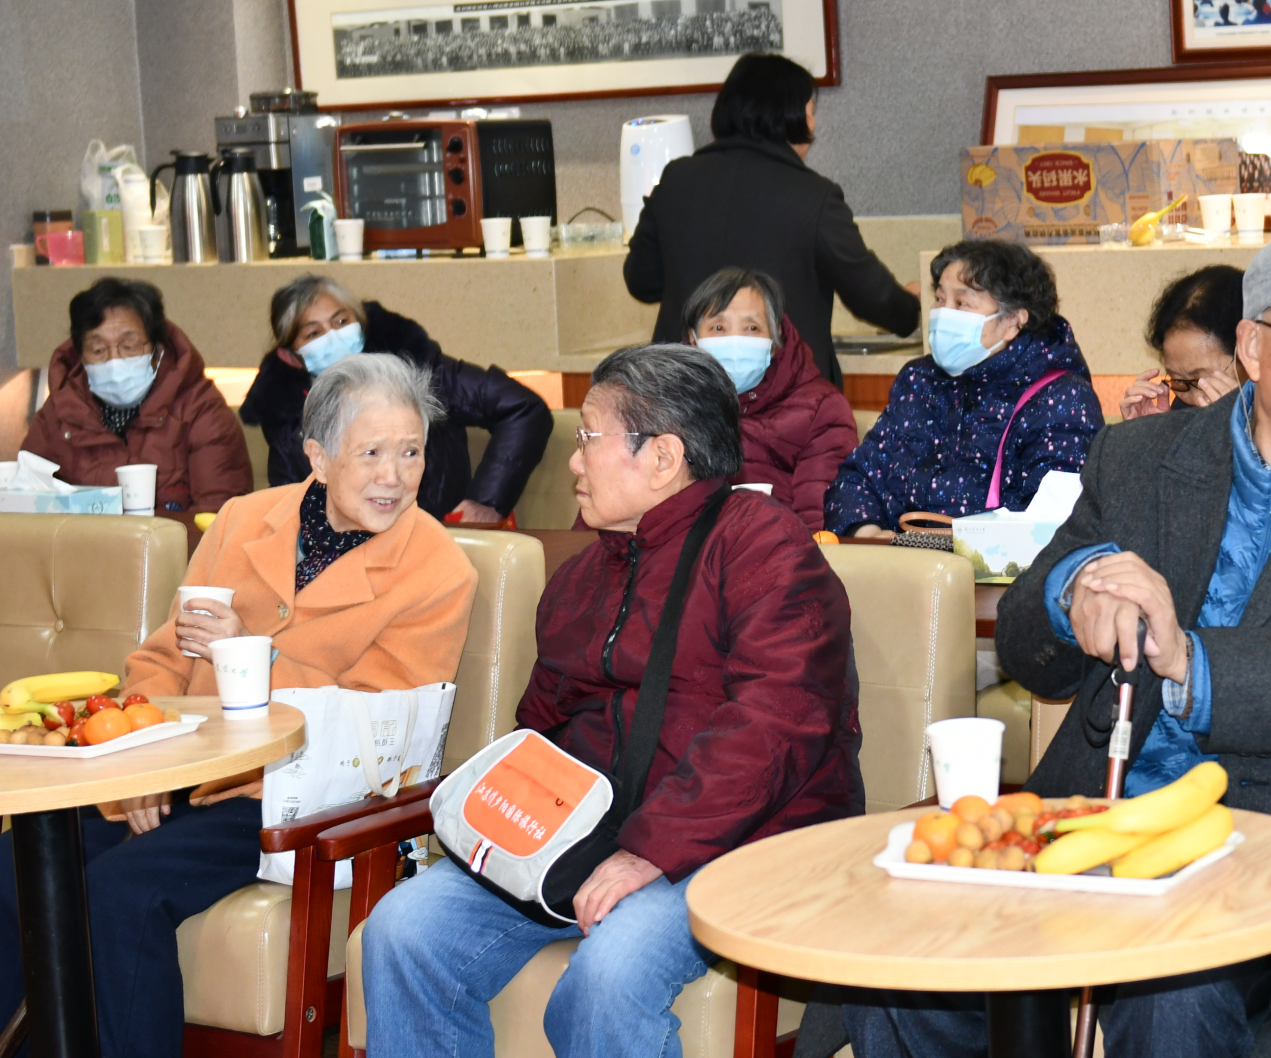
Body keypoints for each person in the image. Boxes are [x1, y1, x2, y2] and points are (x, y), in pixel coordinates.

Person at [840, 228, 1271, 1058]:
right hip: (1091, 824)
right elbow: (1032, 651)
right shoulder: (1140, 457)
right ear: (1252, 346)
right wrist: (1073, 588)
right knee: (897, 970)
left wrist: (1192, 663)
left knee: (1167, 985)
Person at [362, 344, 863, 1057]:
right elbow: (540, 727)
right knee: (402, 930)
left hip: (736, 841)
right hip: (590, 834)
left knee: (608, 977)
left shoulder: (764, 547)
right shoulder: (582, 574)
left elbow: (775, 725)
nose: (573, 461)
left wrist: (648, 852)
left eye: (588, 438)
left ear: (663, 457)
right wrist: (500, 827)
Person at [0, 354, 475, 1058]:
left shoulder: (438, 570)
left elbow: (376, 725)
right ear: (318, 455)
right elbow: (164, 658)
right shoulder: (242, 520)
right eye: (372, 452)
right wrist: (139, 767)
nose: (394, 475)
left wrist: (255, 657)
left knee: (120, 894)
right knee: (15, 869)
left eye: (411, 452)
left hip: (291, 797)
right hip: (179, 769)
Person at [625, 53, 920, 386]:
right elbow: (870, 294)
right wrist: (911, 308)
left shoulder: (676, 180)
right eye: (810, 112)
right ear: (791, 118)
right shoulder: (814, 196)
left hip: (683, 391)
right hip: (784, 393)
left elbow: (641, 281)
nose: (813, 126)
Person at [824, 240, 1102, 537]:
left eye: (961, 303)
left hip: (995, 566)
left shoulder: (1062, 398)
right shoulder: (920, 380)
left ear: (1013, 320)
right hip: (899, 560)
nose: (943, 314)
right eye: (939, 299)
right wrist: (869, 534)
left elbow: (1053, 524)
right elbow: (859, 476)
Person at [241, 274, 553, 524]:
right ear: (290, 356)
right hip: (345, 559)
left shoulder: (421, 370)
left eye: (340, 322)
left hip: (435, 543)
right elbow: (292, 509)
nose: (333, 336)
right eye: (313, 334)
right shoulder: (286, 416)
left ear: (360, 322)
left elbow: (523, 408)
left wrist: (486, 501)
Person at [21, 276, 252, 512]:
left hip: (176, 537)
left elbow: (220, 514)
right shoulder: (59, 413)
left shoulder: (201, 409)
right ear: (81, 356)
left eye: (129, 347)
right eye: (98, 350)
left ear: (157, 350)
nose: (114, 360)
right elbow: (25, 504)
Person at [683, 265, 857, 532]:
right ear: (694, 339)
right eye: (718, 327)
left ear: (775, 339)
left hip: (782, 551)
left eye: (752, 327)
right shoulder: (668, 407)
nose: (735, 341)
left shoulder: (821, 409)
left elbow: (820, 525)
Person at [1120, 265, 1243, 420]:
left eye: (1203, 380)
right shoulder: (1181, 407)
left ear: (1249, 353)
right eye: (1178, 381)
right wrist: (1151, 429)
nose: (1196, 400)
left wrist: (1240, 425)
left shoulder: (1270, 414)